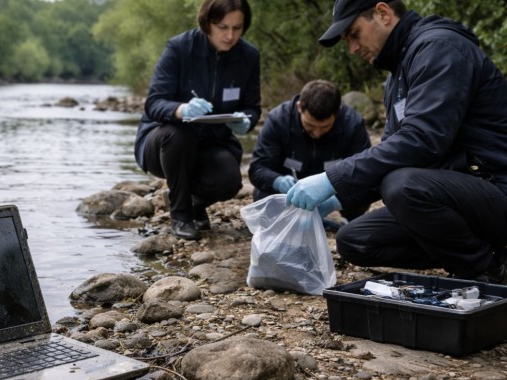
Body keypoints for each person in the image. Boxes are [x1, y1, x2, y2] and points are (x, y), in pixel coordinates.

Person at [286, 0, 507, 282]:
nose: (352, 48)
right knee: (354, 240)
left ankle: (487, 269)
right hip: (459, 199)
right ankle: (473, 251)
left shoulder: (440, 48)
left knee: (402, 186)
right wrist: (338, 197)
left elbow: (422, 140)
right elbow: (391, 154)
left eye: (354, 34)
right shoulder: (398, 75)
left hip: (496, 187)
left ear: (383, 13)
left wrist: (331, 178)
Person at [134, 0, 261, 240]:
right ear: (207, 23)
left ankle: (192, 202)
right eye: (223, 27)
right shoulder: (179, 48)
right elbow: (154, 103)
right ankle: (181, 215)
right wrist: (181, 109)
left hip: (213, 142)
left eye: (237, 28)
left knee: (230, 180)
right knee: (179, 134)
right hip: (163, 143)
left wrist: (246, 120)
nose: (230, 36)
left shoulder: (249, 56)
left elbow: (252, 107)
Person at [248, 79, 372, 227]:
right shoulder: (278, 120)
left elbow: (365, 173)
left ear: (338, 111)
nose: (317, 133)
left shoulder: (353, 123)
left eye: (325, 127)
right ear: (299, 107)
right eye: (310, 126)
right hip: (290, 190)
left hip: (332, 187)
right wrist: (277, 181)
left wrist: (335, 201)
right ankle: (289, 222)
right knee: (262, 193)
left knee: (361, 190)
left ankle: (348, 222)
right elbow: (257, 168)